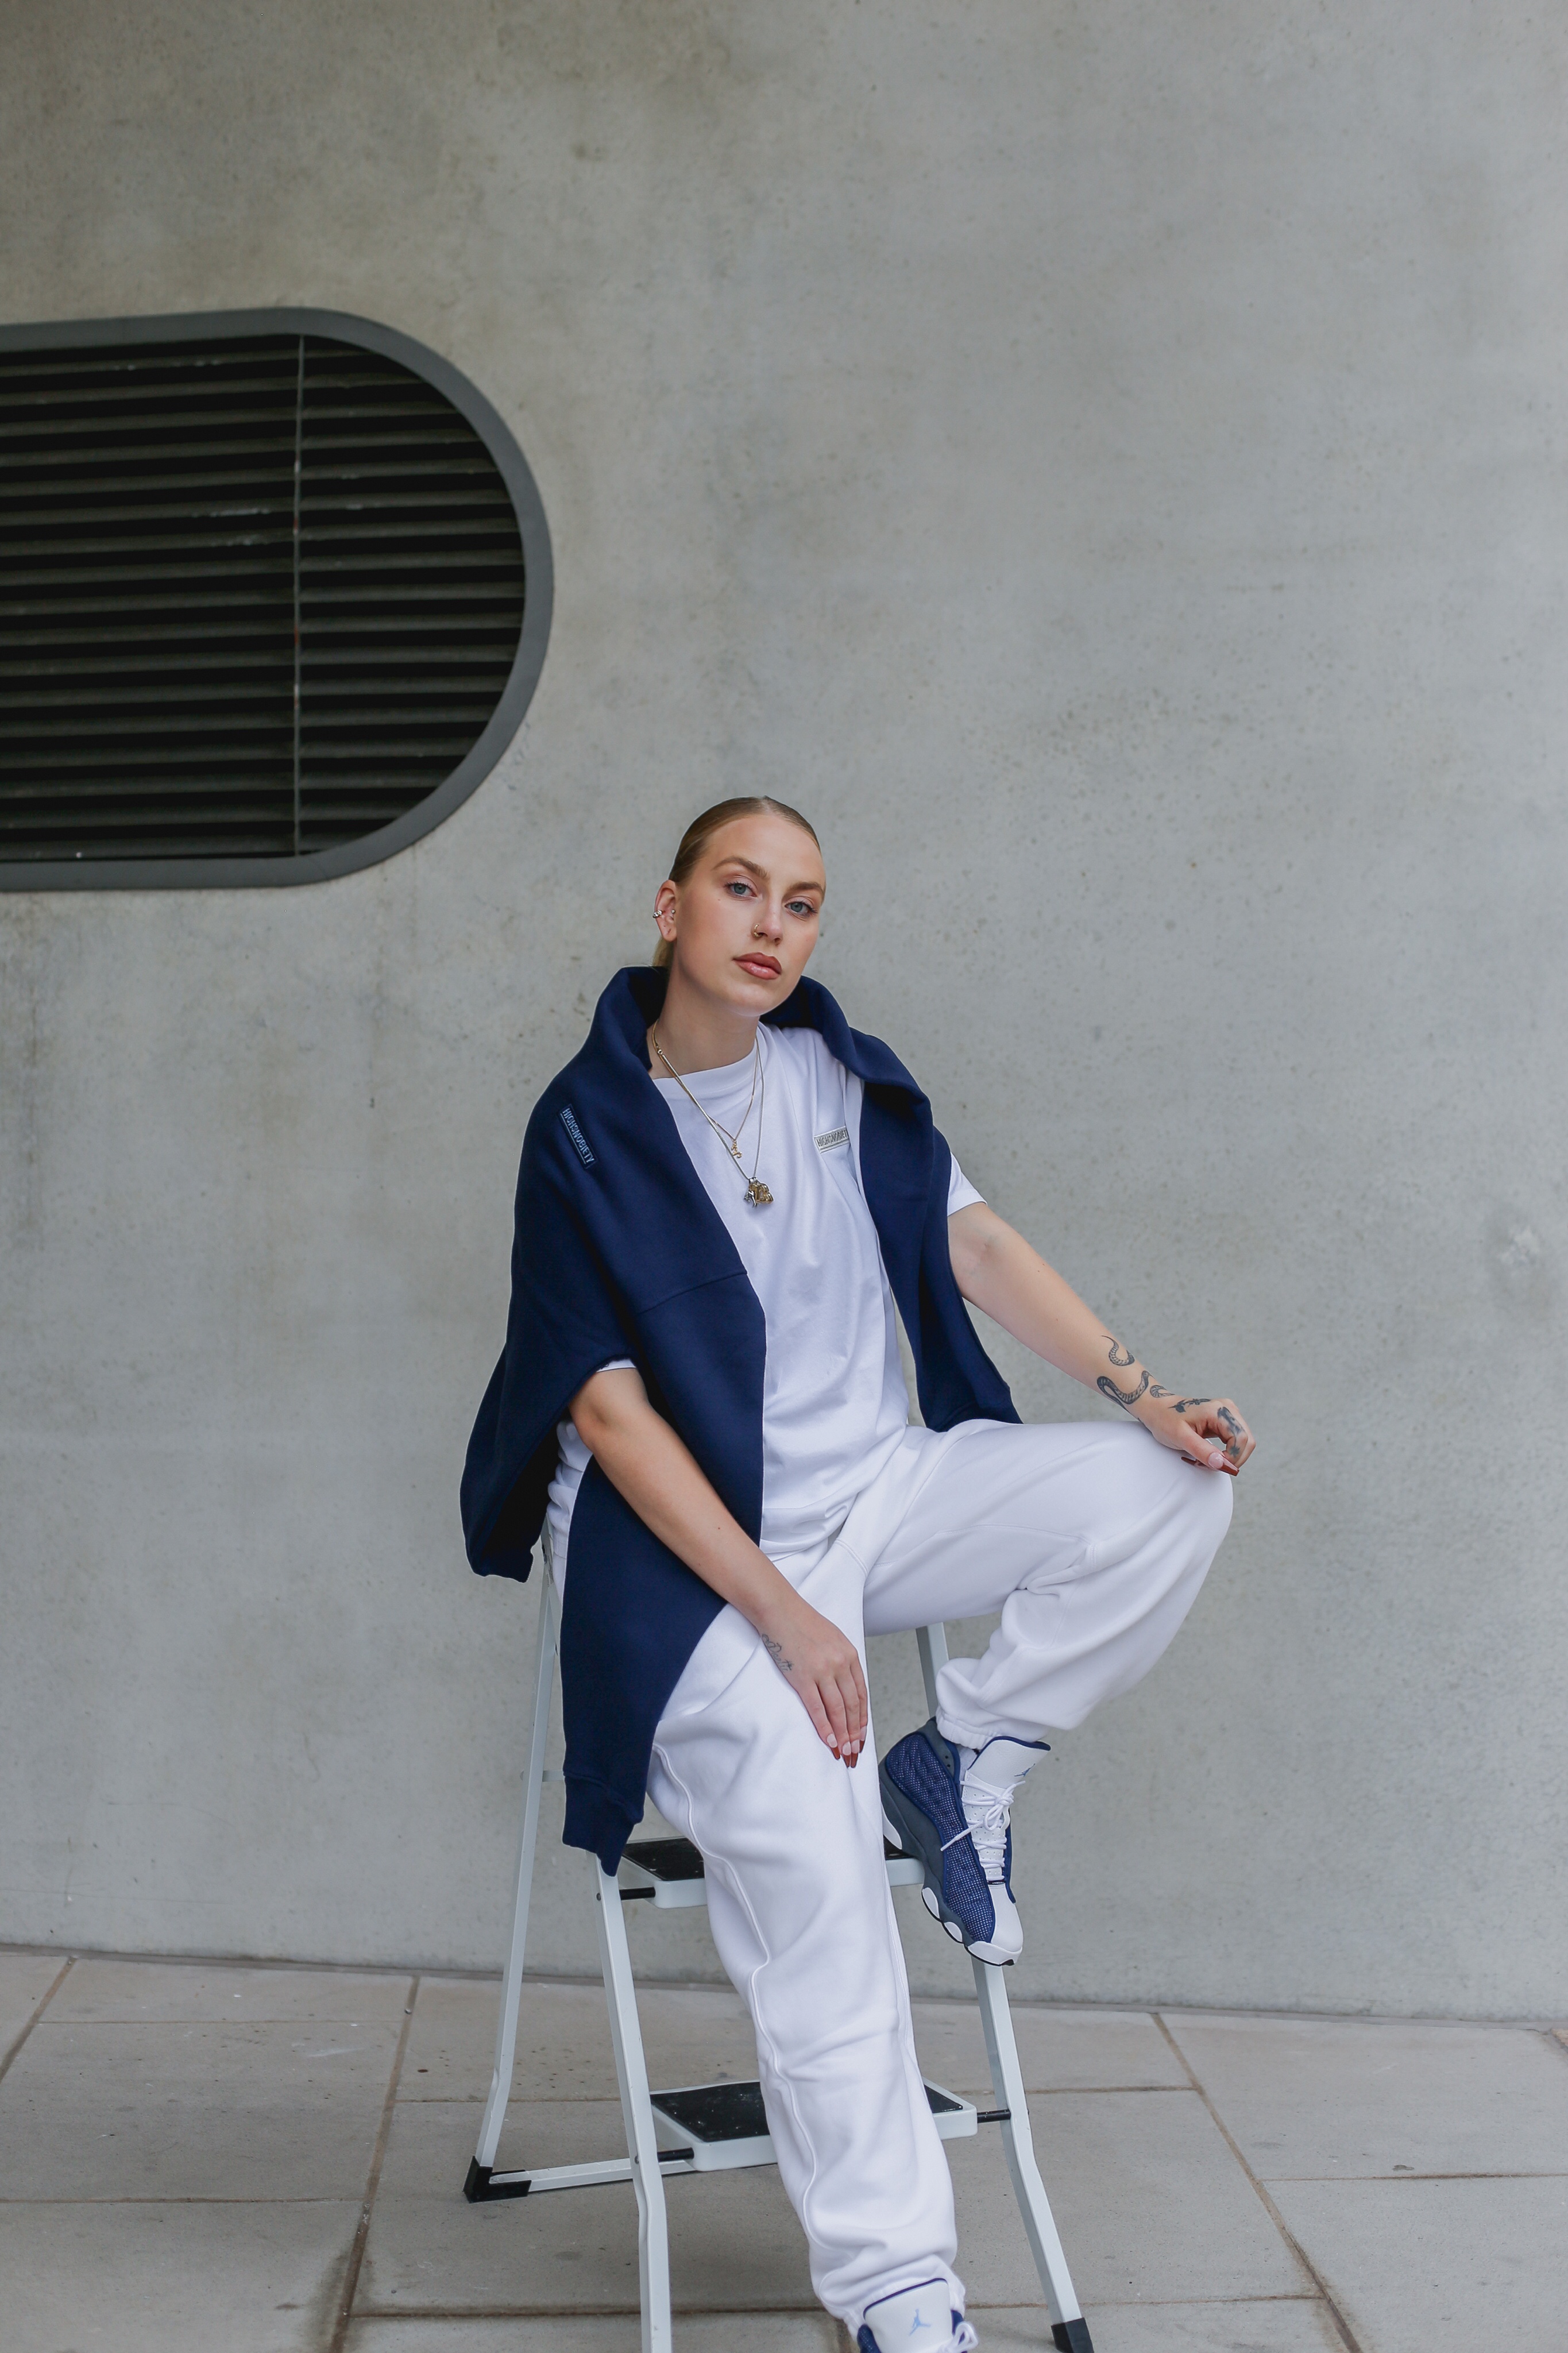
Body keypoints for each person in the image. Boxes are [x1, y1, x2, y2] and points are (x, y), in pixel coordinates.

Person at [461, 796, 1252, 2353]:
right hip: (690, 1559)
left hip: (878, 1492)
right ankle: (900, 2289)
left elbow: (977, 1248)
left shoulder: (840, 1071)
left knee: (1173, 1491)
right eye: (740, 888)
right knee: (821, 1879)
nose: (772, 925)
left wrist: (1144, 1392)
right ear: (671, 907)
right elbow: (607, 1415)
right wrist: (785, 1617)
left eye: (803, 901)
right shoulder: (585, 1127)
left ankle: (965, 1759)